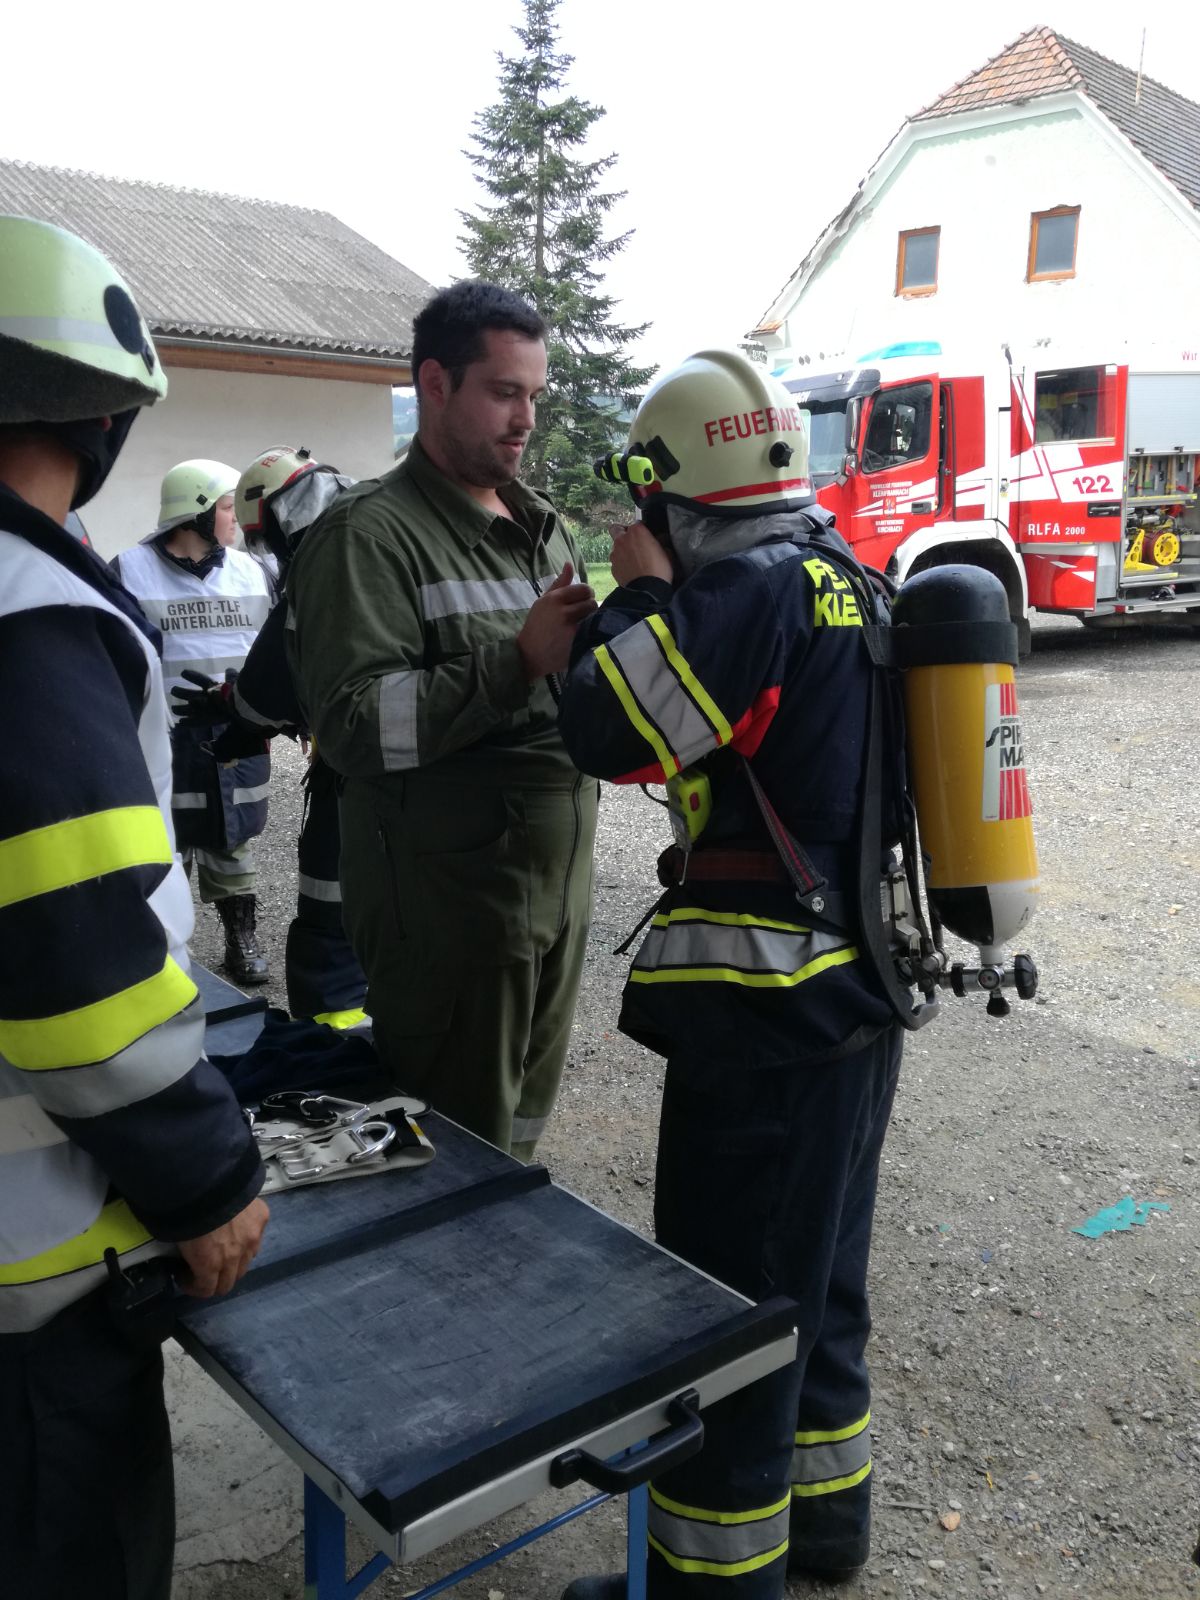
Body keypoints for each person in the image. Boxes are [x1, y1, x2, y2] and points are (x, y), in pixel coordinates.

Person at [556, 349, 904, 1598]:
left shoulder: (747, 593)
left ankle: (713, 1584)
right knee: (821, 1281)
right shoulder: (851, 573)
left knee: (729, 1309)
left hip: (764, 1020)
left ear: (667, 493)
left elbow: (609, 727)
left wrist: (632, 600)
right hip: (859, 1000)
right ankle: (826, 1527)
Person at [0, 215, 269, 1600]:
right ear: (100, 416)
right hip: (31, 1271)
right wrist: (207, 1177)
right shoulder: (32, 614)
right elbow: (82, 968)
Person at [287, 281, 598, 1159]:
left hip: (555, 896)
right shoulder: (368, 536)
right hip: (453, 915)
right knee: (455, 1147)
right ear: (434, 383)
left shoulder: (544, 528)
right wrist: (516, 661)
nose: (526, 419)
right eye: (504, 392)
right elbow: (353, 727)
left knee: (517, 1134)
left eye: (534, 395)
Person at [172, 445, 367, 1025]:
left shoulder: (325, 556)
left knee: (331, 918)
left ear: (280, 515)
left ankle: (337, 1048)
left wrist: (235, 709)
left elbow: (276, 670)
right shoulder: (383, 526)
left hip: (360, 773)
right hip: (439, 774)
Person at [112, 459, 273, 984]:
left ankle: (240, 939)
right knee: (166, 839)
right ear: (194, 514)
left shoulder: (254, 571)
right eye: (227, 507)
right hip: (164, 735)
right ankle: (162, 948)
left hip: (237, 733)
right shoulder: (128, 571)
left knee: (232, 834)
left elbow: (277, 652)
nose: (237, 518)